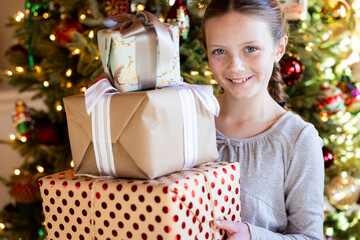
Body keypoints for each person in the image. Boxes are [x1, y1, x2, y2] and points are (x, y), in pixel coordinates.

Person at [200, 0, 325, 239]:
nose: (235, 67)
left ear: (279, 49)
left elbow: (310, 236)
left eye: (250, 49)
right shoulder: (189, 122)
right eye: (219, 51)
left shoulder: (297, 140)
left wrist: (252, 235)